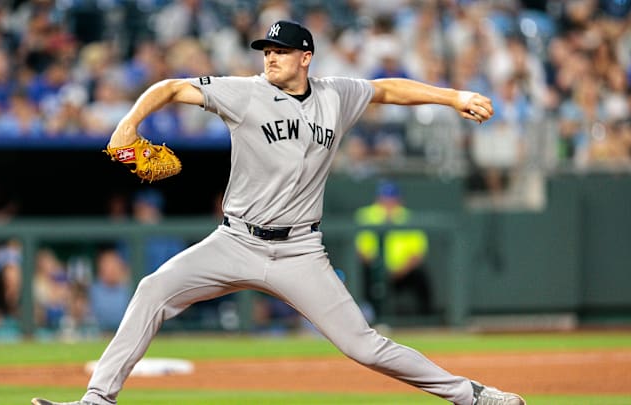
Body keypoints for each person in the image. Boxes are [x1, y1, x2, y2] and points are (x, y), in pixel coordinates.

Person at [32, 20, 524, 405]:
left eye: (280, 51)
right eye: (266, 51)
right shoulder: (244, 93)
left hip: (300, 251)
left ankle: (472, 395)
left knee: (365, 346)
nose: (270, 58)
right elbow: (170, 86)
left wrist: (453, 97)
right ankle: (98, 399)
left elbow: (388, 88)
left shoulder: (336, 95)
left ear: (305, 57)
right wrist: (128, 124)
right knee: (152, 289)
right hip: (235, 241)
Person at [355, 181, 433, 317]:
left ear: (399, 200)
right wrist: (378, 269)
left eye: (392, 199)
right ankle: (367, 317)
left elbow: (417, 253)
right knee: (359, 275)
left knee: (421, 277)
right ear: (378, 199)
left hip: (403, 272)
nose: (389, 203)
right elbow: (361, 250)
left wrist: (400, 270)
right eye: (385, 198)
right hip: (373, 270)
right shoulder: (365, 215)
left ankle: (426, 321)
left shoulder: (408, 217)